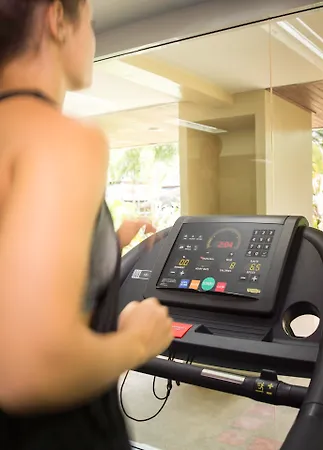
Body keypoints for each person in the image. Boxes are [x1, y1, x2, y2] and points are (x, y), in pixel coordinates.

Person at [0, 1, 174, 449]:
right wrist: (138, 339)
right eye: (90, 24)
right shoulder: (60, 137)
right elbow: (26, 370)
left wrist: (109, 242)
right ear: (58, 18)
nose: (93, 40)